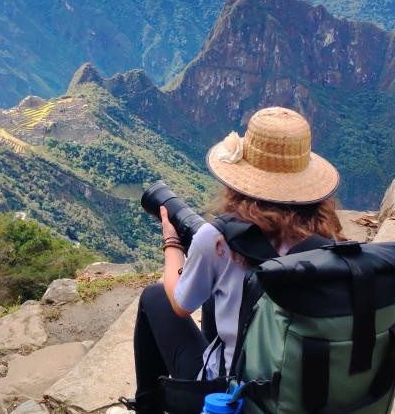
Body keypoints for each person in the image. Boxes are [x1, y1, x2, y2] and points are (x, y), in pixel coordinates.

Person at [123, 107, 343, 413]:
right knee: (217, 297)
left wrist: (172, 242)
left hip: (236, 399)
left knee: (154, 297)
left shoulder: (217, 241)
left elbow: (180, 303)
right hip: (298, 388)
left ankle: (148, 407)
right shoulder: (324, 238)